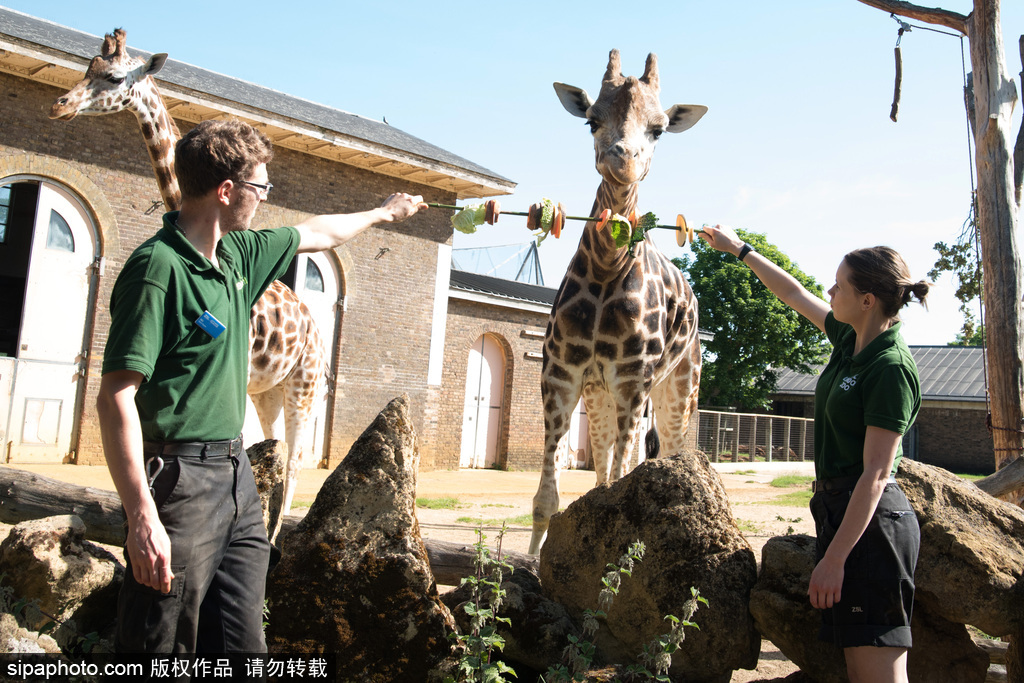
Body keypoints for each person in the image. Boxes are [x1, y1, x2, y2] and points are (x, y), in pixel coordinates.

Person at [96, 118, 426, 654]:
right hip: (178, 483)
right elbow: (115, 397)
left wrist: (385, 211)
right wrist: (141, 515)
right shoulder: (158, 271)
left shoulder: (238, 254)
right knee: (160, 646)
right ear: (227, 192)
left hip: (236, 475)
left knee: (242, 644)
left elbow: (318, 233)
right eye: (261, 187)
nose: (265, 198)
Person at [700, 225, 928, 683]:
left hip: (871, 529)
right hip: (839, 514)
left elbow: (876, 475)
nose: (829, 291)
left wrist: (834, 559)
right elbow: (793, 292)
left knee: (878, 674)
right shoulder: (850, 341)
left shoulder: (890, 367)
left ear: (867, 299)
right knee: (857, 667)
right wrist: (739, 250)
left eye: (839, 285)